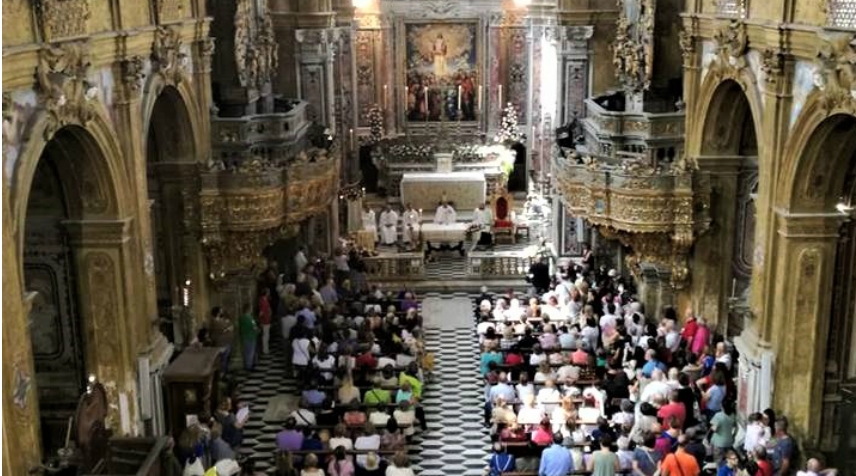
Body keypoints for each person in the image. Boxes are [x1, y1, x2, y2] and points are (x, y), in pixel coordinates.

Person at [238, 303, 258, 370]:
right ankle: (249, 366)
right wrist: (257, 330)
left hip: (244, 337)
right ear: (248, 309)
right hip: (251, 337)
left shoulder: (241, 317)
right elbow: (254, 328)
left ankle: (246, 365)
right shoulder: (250, 318)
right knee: (250, 352)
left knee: (246, 352)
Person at [258, 288, 272, 355]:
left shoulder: (263, 300)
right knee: (265, 336)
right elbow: (261, 312)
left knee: (266, 336)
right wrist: (261, 320)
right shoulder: (263, 301)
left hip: (266, 320)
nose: (269, 293)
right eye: (268, 292)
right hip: (265, 321)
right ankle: (265, 350)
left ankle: (265, 349)